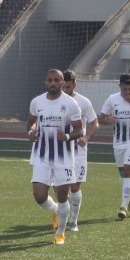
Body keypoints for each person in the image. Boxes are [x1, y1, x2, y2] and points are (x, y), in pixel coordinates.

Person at [26, 69, 83, 245]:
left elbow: (79, 130)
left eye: (56, 80)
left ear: (62, 83)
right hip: (41, 155)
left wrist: (67, 136)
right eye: (50, 80)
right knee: (39, 196)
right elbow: (31, 122)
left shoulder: (71, 104)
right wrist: (31, 132)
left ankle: (60, 233)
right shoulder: (37, 102)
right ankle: (56, 211)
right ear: (46, 82)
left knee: (63, 196)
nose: (53, 83)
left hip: (63, 158)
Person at [98, 73, 130, 220]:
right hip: (118, 142)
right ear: (119, 86)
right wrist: (109, 120)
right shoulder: (112, 99)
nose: (127, 92)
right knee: (122, 173)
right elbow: (100, 118)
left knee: (128, 171)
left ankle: (123, 207)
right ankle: (129, 197)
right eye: (125, 89)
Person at [60, 70, 99, 231]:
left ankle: (73, 221)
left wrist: (86, 138)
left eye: (68, 87)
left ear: (75, 84)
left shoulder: (83, 102)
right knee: (59, 188)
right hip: (60, 151)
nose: (65, 90)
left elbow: (95, 123)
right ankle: (62, 212)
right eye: (63, 87)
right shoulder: (55, 101)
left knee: (75, 187)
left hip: (78, 151)